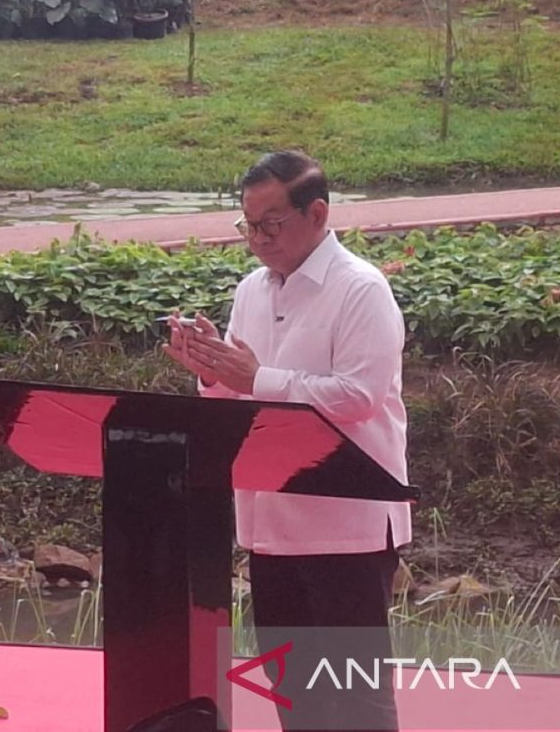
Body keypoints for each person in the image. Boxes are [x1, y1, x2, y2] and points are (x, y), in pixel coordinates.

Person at [163, 151, 410, 732]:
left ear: (317, 213)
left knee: (354, 697)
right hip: (269, 517)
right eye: (248, 224)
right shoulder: (252, 289)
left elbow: (359, 396)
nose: (257, 238)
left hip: (344, 521)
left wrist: (255, 378)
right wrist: (209, 369)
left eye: (270, 223)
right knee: (293, 691)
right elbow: (235, 396)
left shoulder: (361, 289)